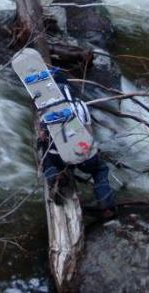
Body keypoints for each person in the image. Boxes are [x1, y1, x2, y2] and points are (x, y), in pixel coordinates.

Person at [37, 69, 116, 219]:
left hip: (59, 156)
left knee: (47, 159)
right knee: (100, 169)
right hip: (82, 155)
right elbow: (89, 133)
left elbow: (43, 137)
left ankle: (54, 176)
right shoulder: (80, 104)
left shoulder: (47, 107)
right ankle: (106, 206)